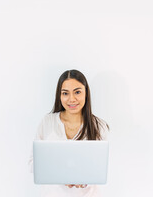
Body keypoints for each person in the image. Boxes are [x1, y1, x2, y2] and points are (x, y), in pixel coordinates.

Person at [28, 69, 109, 197]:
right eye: (65, 93)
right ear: (59, 96)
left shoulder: (99, 126)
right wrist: (60, 175)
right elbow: (33, 164)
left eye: (77, 92)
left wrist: (84, 180)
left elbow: (100, 170)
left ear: (86, 93)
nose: (71, 99)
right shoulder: (47, 122)